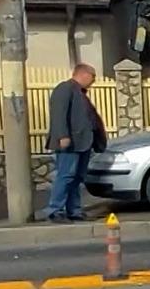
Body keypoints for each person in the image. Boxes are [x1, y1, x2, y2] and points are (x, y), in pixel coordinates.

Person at [44, 64, 106, 223]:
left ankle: (74, 210)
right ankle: (56, 210)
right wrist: (63, 135)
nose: (94, 81)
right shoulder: (65, 89)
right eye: (93, 77)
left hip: (83, 143)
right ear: (84, 74)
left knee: (77, 177)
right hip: (70, 142)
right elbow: (59, 114)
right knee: (65, 175)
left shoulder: (80, 92)